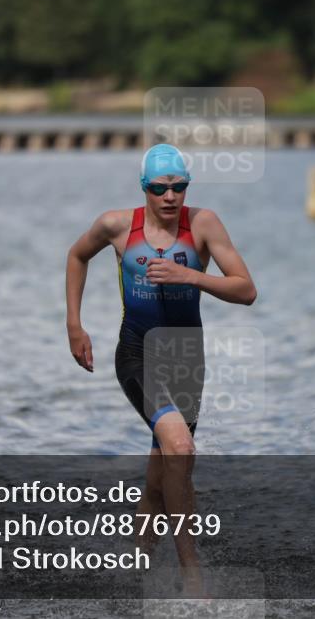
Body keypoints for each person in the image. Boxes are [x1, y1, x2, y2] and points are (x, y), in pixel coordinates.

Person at [65, 143, 256, 595]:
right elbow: (77, 256)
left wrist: (191, 276)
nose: (170, 197)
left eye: (179, 187)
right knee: (181, 447)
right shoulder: (117, 226)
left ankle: (136, 568)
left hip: (187, 360)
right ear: (144, 188)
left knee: (163, 472)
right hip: (138, 353)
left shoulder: (203, 224)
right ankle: (193, 577)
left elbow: (246, 290)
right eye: (159, 188)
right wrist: (74, 324)